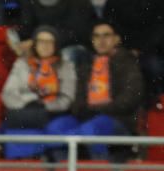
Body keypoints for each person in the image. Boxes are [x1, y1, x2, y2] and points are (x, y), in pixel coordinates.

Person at [45, 21, 142, 161]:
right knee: (55, 127)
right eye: (96, 36)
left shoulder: (128, 64)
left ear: (117, 39)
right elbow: (76, 100)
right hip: (87, 118)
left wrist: (97, 110)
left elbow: (129, 100)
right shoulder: (86, 66)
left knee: (92, 128)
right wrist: (85, 110)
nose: (101, 41)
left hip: (117, 120)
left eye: (106, 35)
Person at [0, 25, 76, 159]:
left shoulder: (66, 66)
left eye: (49, 42)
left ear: (56, 45)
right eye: (41, 41)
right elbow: (8, 93)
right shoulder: (22, 64)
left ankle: (48, 169)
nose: (45, 45)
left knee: (54, 129)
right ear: (35, 44)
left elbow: (67, 99)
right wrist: (29, 103)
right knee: (8, 130)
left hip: (54, 114)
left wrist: (44, 106)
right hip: (25, 112)